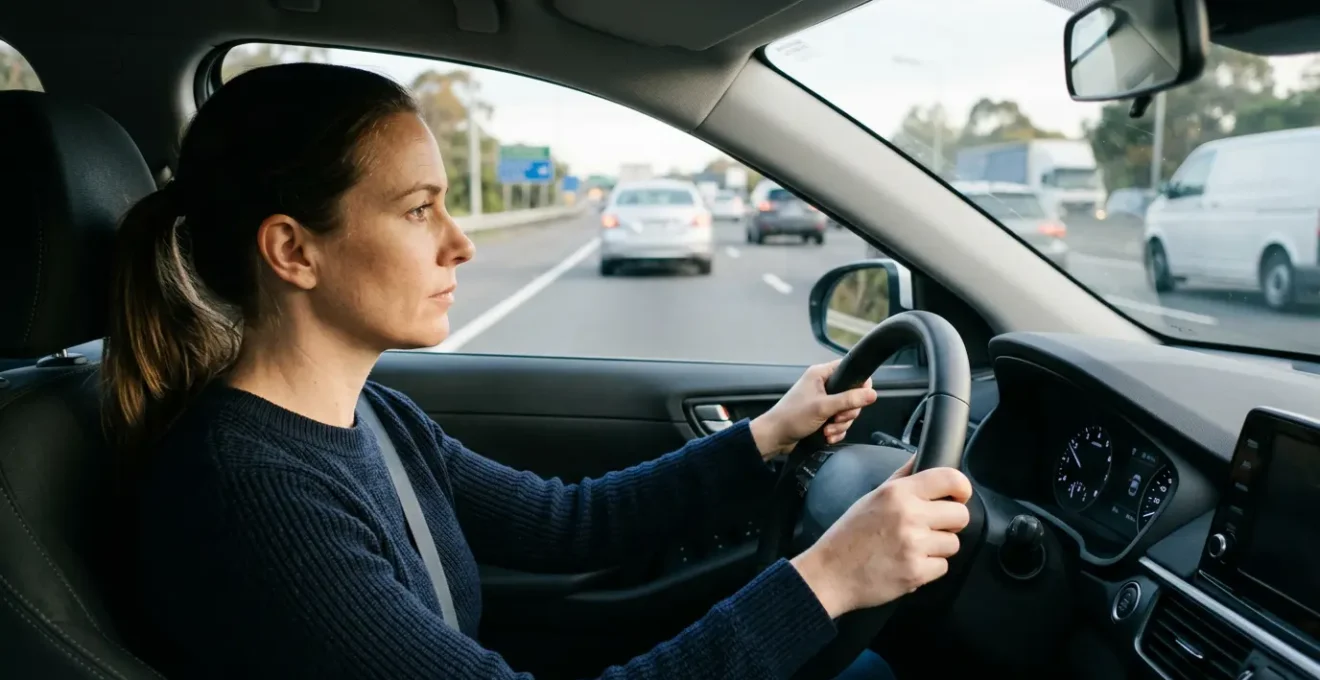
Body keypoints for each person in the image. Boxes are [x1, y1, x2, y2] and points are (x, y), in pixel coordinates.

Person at [104, 62, 973, 679]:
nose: (461, 241)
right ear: (293, 249)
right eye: (418, 210)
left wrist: (764, 438)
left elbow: (571, 524)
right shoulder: (248, 496)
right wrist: (825, 578)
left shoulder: (372, 416)